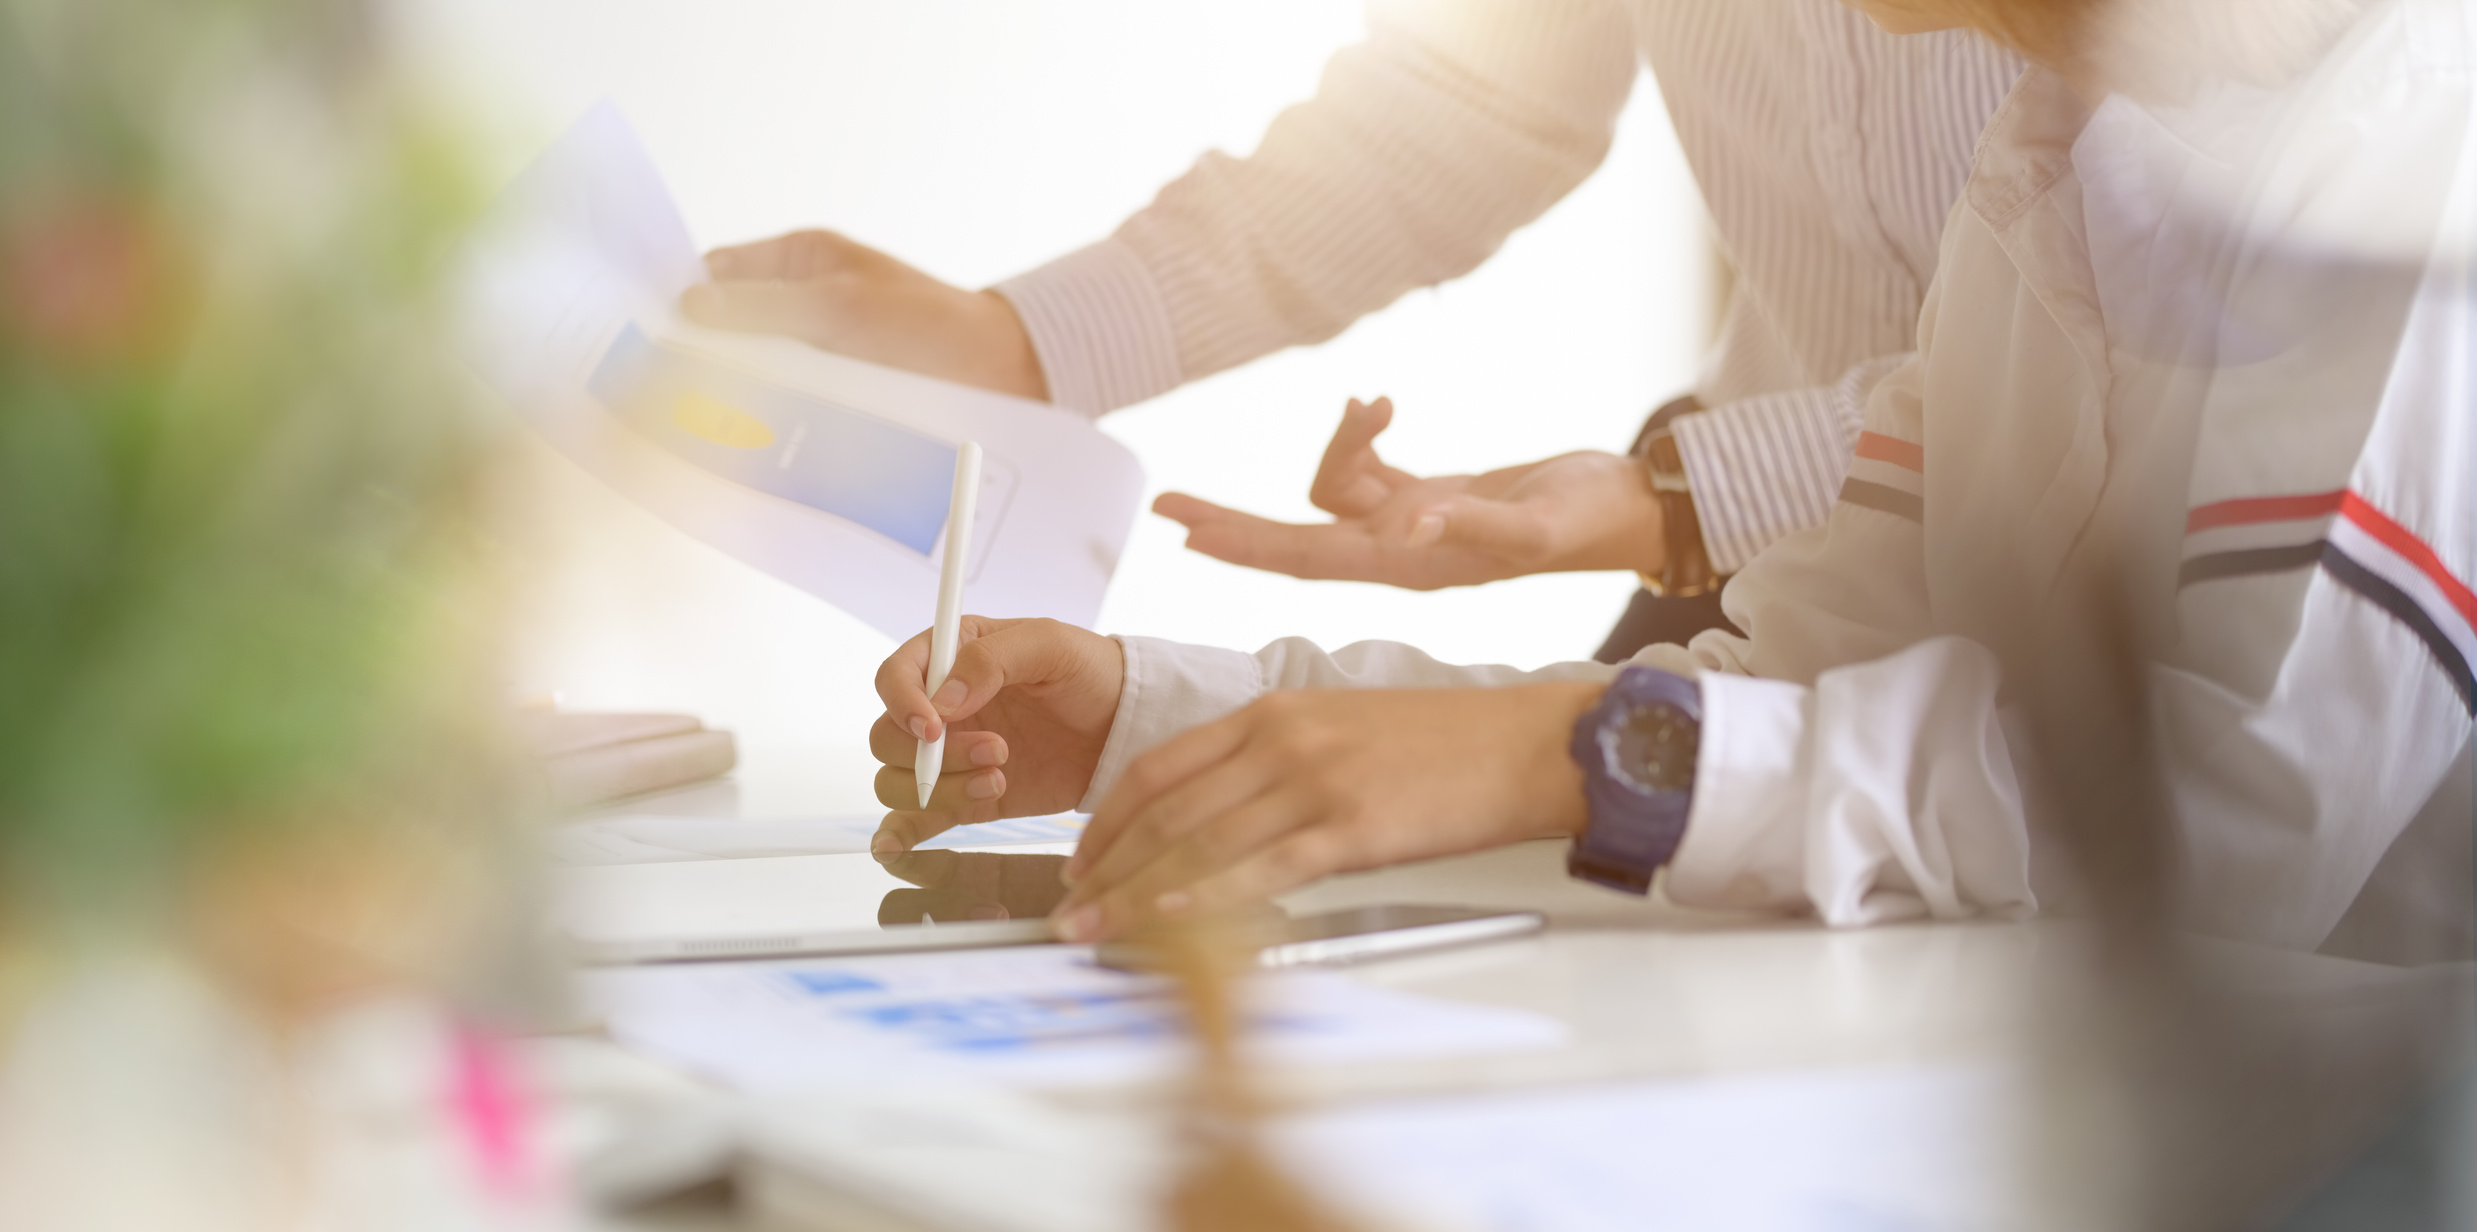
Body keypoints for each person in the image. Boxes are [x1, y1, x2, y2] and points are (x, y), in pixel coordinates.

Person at [867, 0, 2476, 957]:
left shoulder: (2412, 147)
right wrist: (1179, 723)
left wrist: (1583, 748)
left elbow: (2240, 829)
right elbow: (1789, 692)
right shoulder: (2055, 165)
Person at [686, 0, 2024, 659]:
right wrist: (1027, 340)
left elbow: (2140, 348)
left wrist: (1678, 498)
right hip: (1747, 566)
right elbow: (1472, 103)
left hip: (2121, 593)